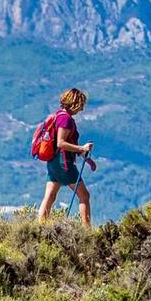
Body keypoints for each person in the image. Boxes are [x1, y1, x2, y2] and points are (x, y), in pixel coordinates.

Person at [37, 88, 96, 225]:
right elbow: (61, 143)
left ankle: (40, 226)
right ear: (75, 103)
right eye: (80, 105)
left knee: (50, 196)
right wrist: (82, 148)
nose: (81, 109)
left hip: (53, 162)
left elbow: (67, 142)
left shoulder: (59, 116)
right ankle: (86, 230)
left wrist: (86, 158)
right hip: (63, 163)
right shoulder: (66, 119)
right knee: (84, 195)